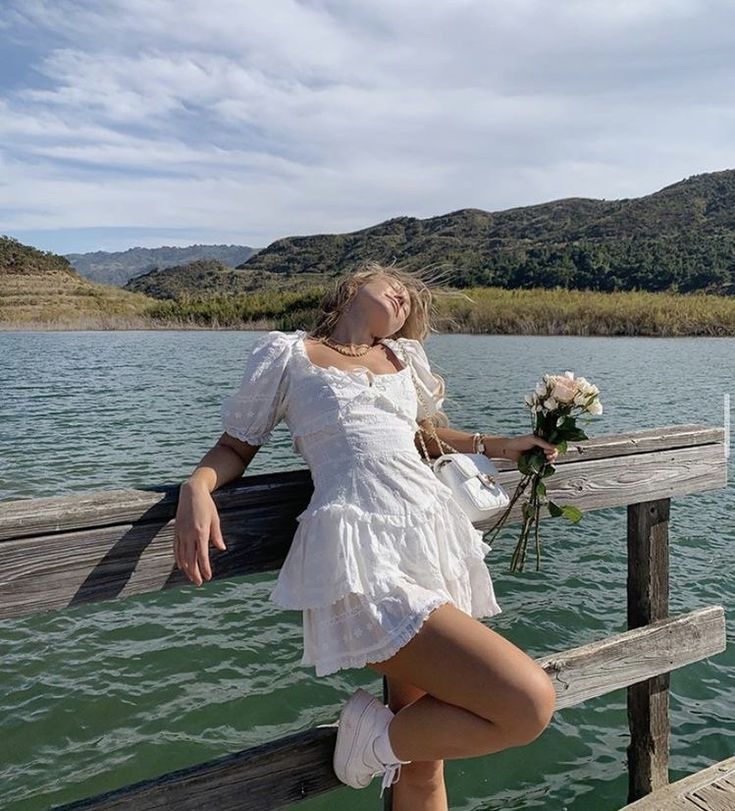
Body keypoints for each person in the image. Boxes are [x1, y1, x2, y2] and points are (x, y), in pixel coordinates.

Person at [174, 262, 559, 810]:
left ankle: (385, 743)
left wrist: (500, 444)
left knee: (425, 763)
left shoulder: (403, 358)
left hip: (430, 538)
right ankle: (374, 743)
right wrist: (198, 486)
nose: (404, 298)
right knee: (527, 702)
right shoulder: (289, 355)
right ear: (354, 286)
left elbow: (423, 438)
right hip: (361, 551)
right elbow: (236, 446)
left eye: (411, 303)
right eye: (394, 286)